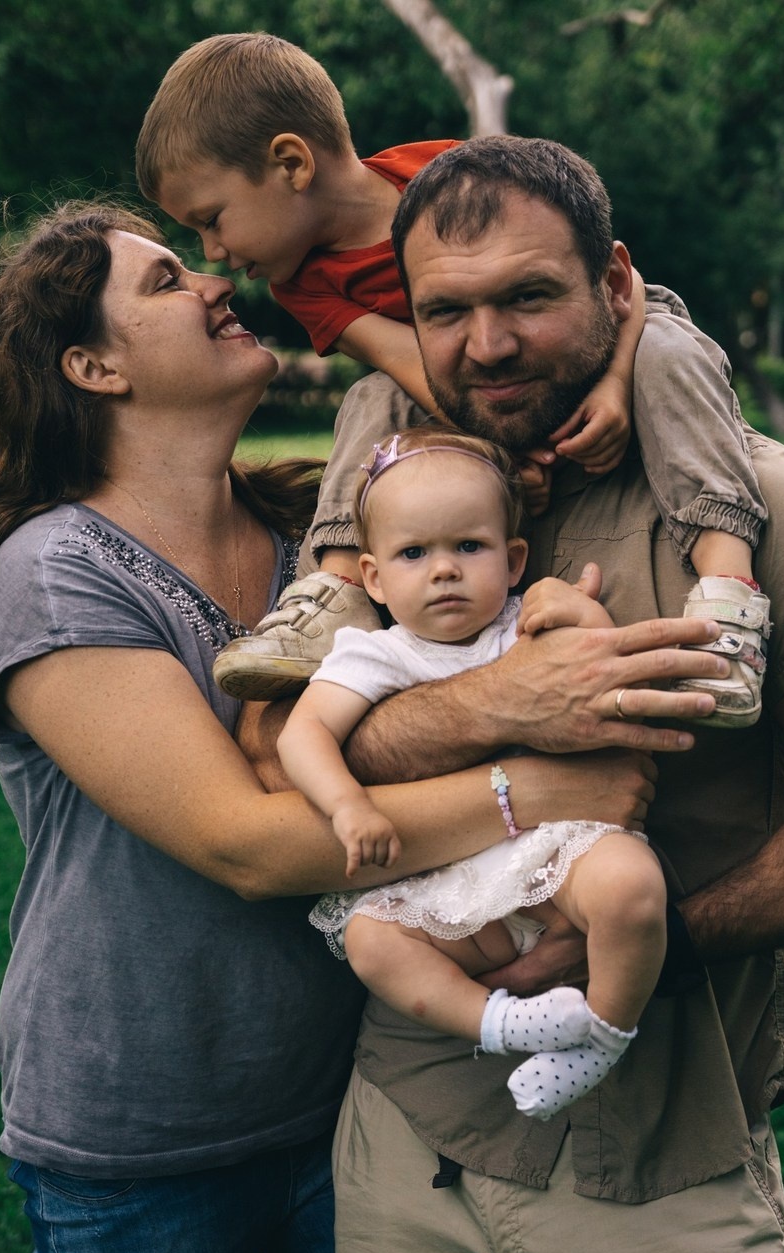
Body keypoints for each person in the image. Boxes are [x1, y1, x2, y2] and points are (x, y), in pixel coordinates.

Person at [239, 136, 784, 1253]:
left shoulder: (762, 504)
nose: (485, 345)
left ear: (616, 285)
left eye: (527, 296)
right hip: (400, 1142)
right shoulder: (397, 508)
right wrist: (501, 706)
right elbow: (270, 753)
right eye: (445, 310)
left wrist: (669, 939)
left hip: (656, 1170)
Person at [0, 201, 685, 1253]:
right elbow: (247, 844)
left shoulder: (325, 545)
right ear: (93, 366)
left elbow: (507, 274)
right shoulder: (57, 569)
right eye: (163, 280)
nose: (211, 282)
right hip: (145, 1133)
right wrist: (548, 788)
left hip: (353, 1097)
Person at [135, 32, 771, 726]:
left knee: (671, 351)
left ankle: (727, 601)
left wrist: (617, 379)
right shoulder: (305, 286)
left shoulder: (444, 174)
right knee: (372, 398)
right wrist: (500, 457)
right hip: (474, 394)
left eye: (211, 220)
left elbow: (619, 273)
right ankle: (336, 591)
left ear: (290, 162)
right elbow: (419, 370)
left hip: (608, 332)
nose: (214, 254)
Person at [280, 428, 667, 1120]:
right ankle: (501, 1024)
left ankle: (602, 1039)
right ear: (372, 577)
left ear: (513, 558)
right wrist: (347, 807)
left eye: (468, 547)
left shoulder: (527, 625)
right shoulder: (377, 656)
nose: (444, 570)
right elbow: (305, 733)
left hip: (558, 852)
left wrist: (582, 612)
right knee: (372, 941)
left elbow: (599, 680)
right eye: (413, 553)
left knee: (634, 889)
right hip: (450, 881)